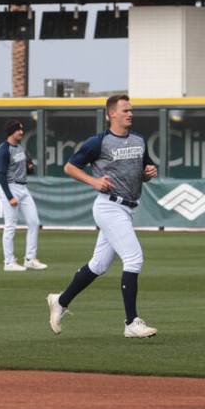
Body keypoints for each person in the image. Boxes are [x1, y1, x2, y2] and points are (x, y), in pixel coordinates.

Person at [45, 94, 157, 339]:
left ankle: (60, 301)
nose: (130, 114)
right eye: (125, 110)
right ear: (111, 114)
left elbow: (144, 171)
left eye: (131, 110)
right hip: (108, 207)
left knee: (99, 265)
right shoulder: (99, 142)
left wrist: (149, 172)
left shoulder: (139, 140)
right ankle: (131, 322)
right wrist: (93, 181)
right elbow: (70, 167)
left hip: (128, 208)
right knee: (134, 258)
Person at [0, 119, 46, 271]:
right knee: (10, 226)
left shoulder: (20, 148)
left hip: (23, 188)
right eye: (19, 130)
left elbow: (27, 169)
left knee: (34, 222)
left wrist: (30, 167)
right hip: (10, 187)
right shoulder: (3, 149)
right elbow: (1, 175)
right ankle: (9, 262)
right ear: (12, 131)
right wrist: (9, 196)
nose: (21, 132)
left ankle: (30, 259)